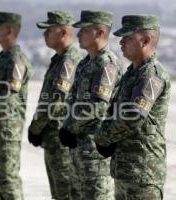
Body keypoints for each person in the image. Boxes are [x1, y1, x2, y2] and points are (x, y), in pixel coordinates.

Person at [94, 14, 170, 200]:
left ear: (145, 40)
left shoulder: (151, 74)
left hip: (143, 172)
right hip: (127, 170)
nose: (121, 42)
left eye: (128, 37)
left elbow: (132, 117)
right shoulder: (132, 73)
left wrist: (103, 137)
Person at [59, 10, 122, 199]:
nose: (78, 35)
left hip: (94, 151)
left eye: (84, 30)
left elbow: (98, 105)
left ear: (100, 33)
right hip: (79, 148)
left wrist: (69, 126)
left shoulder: (106, 64)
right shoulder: (86, 62)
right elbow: (72, 100)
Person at [28, 10, 81, 200]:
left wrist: (35, 127)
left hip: (59, 136)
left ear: (63, 32)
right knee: (58, 192)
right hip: (52, 135)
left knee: (64, 191)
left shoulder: (68, 61)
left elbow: (56, 101)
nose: (44, 35)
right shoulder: (60, 60)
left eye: (49, 30)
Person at [0, 12, 32, 199]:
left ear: (10, 30)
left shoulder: (16, 59)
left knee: (7, 177)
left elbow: (9, 96)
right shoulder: (4, 57)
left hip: (8, 127)